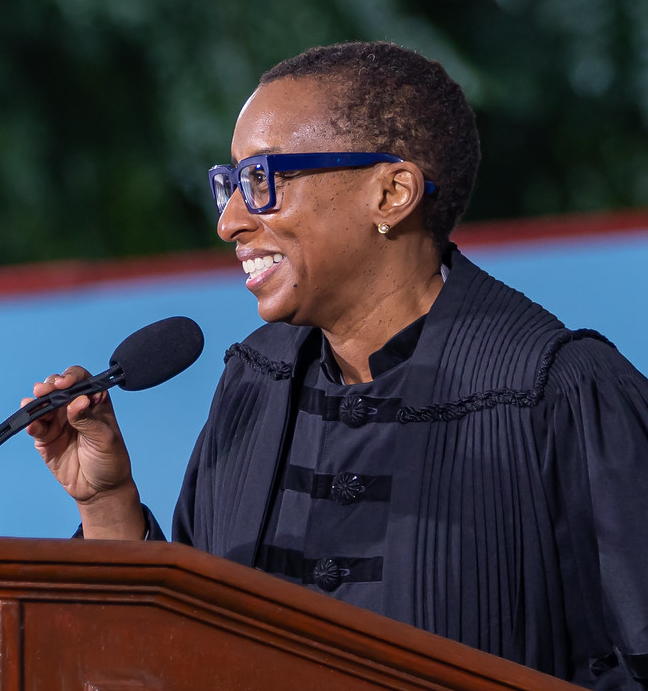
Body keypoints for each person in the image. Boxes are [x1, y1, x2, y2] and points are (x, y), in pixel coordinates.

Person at [24, 42, 648, 690]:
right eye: (229, 183)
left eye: (262, 180)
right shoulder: (253, 386)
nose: (230, 220)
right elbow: (181, 652)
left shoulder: (563, 394)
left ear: (391, 192)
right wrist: (108, 505)